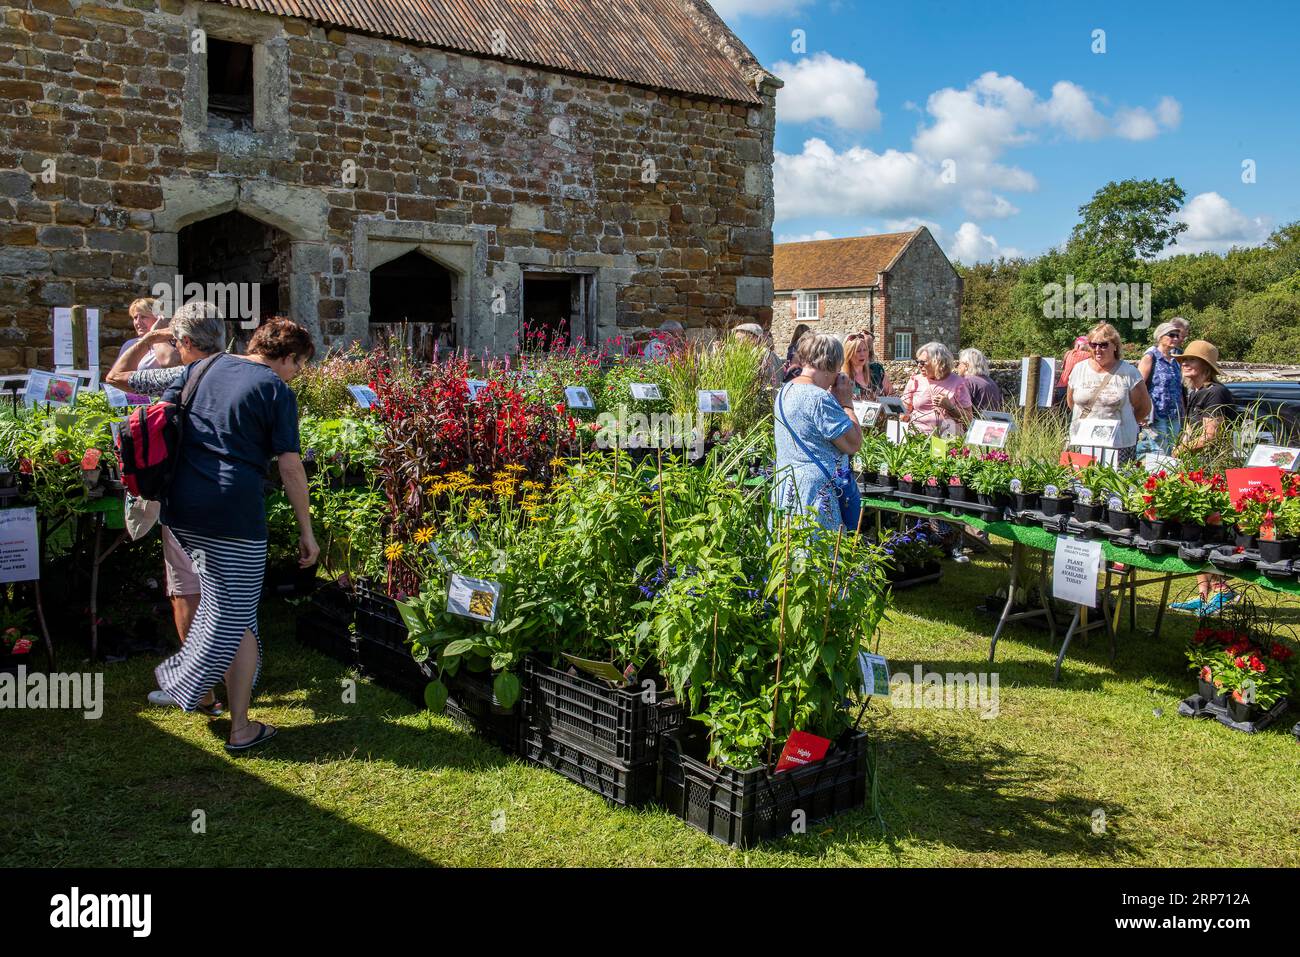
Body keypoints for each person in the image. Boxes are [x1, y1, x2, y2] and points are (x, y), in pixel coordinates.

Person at [149, 318, 319, 752]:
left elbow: (160, 413)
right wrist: (307, 531)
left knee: (232, 608)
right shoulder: (275, 389)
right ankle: (184, 683)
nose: (296, 374)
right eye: (298, 365)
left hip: (182, 507)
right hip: (232, 511)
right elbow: (289, 465)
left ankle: (236, 719)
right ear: (289, 357)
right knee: (230, 611)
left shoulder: (203, 366)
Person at [113, 303, 230, 713]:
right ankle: (237, 679)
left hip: (184, 497)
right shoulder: (242, 374)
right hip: (230, 497)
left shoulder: (177, 374)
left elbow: (116, 377)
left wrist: (145, 341)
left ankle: (201, 691)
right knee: (231, 590)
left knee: (186, 590)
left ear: (182, 341)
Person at [1170, 340, 1238, 615]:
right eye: (1183, 360)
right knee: (1193, 528)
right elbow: (1190, 430)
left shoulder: (1215, 393)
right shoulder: (1195, 392)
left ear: (1206, 366)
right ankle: (1203, 593)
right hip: (1194, 468)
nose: (1184, 364)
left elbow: (1211, 436)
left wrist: (1179, 450)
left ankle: (1221, 590)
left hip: (1212, 471)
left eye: (1191, 360)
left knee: (1211, 529)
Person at [772, 333, 863, 533]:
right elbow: (853, 443)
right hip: (817, 497)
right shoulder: (819, 398)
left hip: (786, 486)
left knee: (787, 555)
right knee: (816, 558)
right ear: (833, 364)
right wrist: (847, 403)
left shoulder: (785, 391)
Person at [1066, 321, 1153, 465]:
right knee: (1080, 484)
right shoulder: (1079, 369)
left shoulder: (1129, 372)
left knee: (1114, 486)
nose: (1098, 349)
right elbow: (1072, 402)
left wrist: (1123, 424)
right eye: (1093, 345)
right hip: (1082, 439)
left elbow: (1143, 408)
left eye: (1103, 345)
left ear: (1115, 346)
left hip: (1119, 443)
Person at [900, 342, 973, 438]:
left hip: (947, 440)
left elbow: (969, 420)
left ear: (938, 362)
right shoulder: (915, 381)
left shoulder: (958, 383)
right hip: (917, 439)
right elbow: (903, 411)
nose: (919, 365)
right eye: (918, 362)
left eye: (923, 362)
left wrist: (950, 407)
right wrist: (903, 416)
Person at [1138, 322, 1185, 452]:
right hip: (1157, 413)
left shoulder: (1176, 359)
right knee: (1160, 450)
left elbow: (1179, 387)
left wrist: (1183, 412)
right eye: (1171, 335)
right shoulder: (1150, 357)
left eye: (1177, 335)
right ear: (1160, 337)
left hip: (1174, 414)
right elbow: (1139, 386)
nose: (1176, 338)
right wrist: (1142, 412)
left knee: (1172, 449)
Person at [116, 297, 179, 371]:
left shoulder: (174, 344)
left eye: (143, 317)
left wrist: (155, 334)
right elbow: (116, 374)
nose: (137, 322)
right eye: (135, 318)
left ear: (160, 318)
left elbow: (170, 364)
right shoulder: (130, 344)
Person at [842, 332, 894, 400]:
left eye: (865, 350)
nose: (862, 354)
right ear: (849, 354)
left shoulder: (877, 370)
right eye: (858, 351)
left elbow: (892, 395)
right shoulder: (841, 379)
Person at [732, 322, 782, 389]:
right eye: (736, 341)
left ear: (754, 338)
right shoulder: (764, 352)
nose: (737, 344)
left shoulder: (760, 353)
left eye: (740, 340)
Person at [957, 347, 1003, 412]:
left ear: (966, 366)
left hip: (975, 421)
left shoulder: (966, 381)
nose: (958, 366)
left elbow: (961, 411)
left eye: (960, 363)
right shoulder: (990, 381)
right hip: (992, 421)